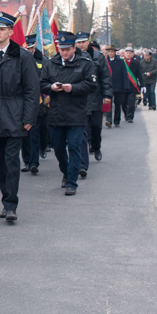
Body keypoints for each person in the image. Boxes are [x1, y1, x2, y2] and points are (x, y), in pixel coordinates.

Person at [0, 12, 38, 222]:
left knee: (12, 161)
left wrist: (29, 117)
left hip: (14, 115)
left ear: (11, 31)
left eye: (3, 29)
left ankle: (11, 205)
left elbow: (32, 89)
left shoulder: (23, 56)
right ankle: (5, 197)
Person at [39, 31, 96, 196]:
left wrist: (74, 88)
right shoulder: (51, 63)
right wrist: (51, 87)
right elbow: (42, 83)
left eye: (67, 50)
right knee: (58, 148)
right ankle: (66, 171)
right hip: (56, 113)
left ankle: (72, 182)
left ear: (73, 48)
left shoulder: (85, 62)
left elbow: (92, 85)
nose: (64, 53)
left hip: (76, 112)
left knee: (74, 147)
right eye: (61, 49)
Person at [76, 35, 111, 172]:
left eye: (83, 42)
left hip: (96, 97)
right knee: (82, 131)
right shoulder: (74, 56)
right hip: (80, 99)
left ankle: (96, 147)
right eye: (78, 43)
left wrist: (107, 94)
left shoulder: (98, 56)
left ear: (88, 42)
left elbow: (105, 76)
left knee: (96, 126)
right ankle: (82, 162)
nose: (81, 45)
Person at [21, 34, 47, 174]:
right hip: (23, 100)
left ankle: (34, 162)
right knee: (24, 132)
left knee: (35, 132)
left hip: (38, 100)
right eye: (27, 47)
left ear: (35, 45)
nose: (29, 50)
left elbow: (46, 78)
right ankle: (26, 161)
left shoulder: (42, 60)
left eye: (31, 47)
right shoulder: (20, 59)